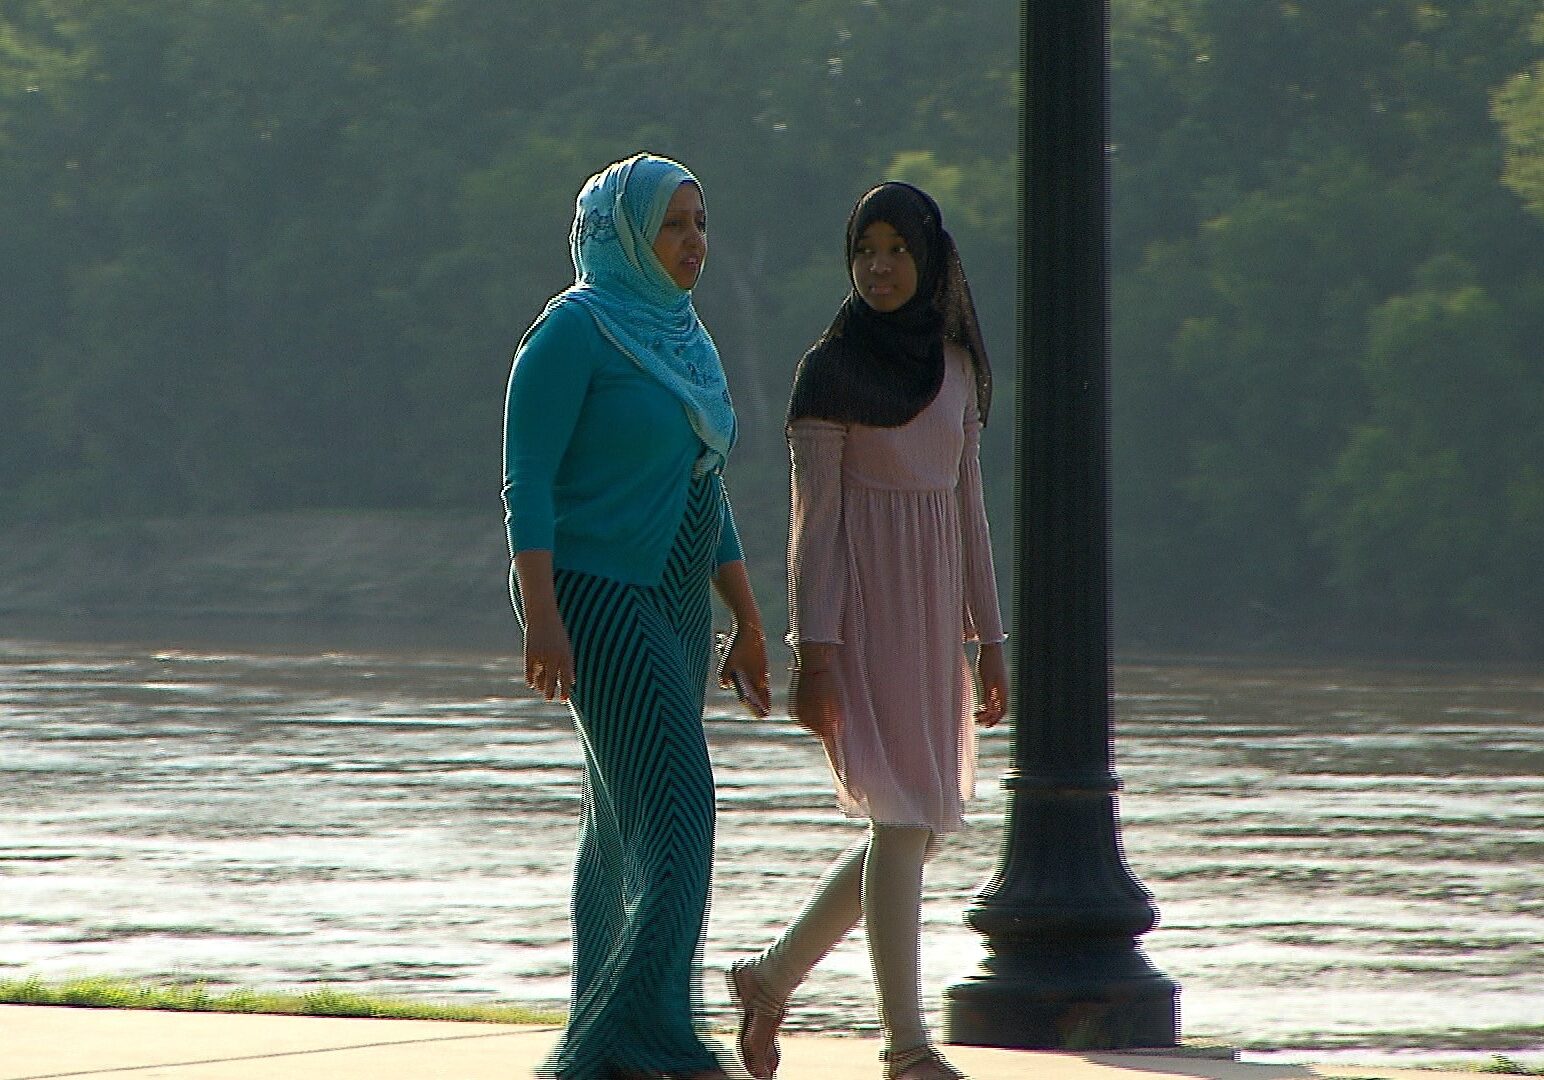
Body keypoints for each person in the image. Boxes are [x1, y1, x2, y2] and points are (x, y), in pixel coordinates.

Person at [725, 182, 1008, 1080]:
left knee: (915, 824)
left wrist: (990, 640)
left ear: (928, 259)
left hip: (934, 625)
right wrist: (817, 655)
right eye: (864, 249)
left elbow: (969, 513)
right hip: (861, 619)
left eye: (896, 248)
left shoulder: (957, 367)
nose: (879, 267)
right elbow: (814, 532)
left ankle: (769, 981)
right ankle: (908, 1049)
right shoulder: (830, 373)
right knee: (899, 820)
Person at [503, 152, 771, 1080]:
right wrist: (541, 614)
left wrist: (746, 613)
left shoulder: (683, 337)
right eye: (673, 224)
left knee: (617, 822)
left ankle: (604, 1029)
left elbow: (707, 481)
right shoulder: (573, 333)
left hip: (677, 595)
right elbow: (528, 481)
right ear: (625, 235)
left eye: (701, 223)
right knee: (680, 804)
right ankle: (635, 1037)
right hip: (597, 592)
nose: (693, 241)